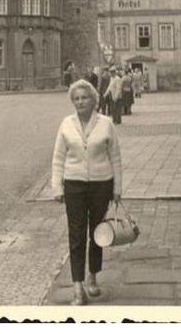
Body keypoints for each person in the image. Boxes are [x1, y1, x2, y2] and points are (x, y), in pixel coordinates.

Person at [52, 79, 122, 305]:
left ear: (94, 100)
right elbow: (58, 157)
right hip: (74, 185)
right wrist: (57, 186)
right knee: (76, 234)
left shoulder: (106, 123)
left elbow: (116, 158)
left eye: (84, 97)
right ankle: (77, 287)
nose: (80, 102)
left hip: (102, 184)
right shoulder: (66, 124)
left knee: (97, 233)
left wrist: (117, 188)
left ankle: (93, 278)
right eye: (76, 98)